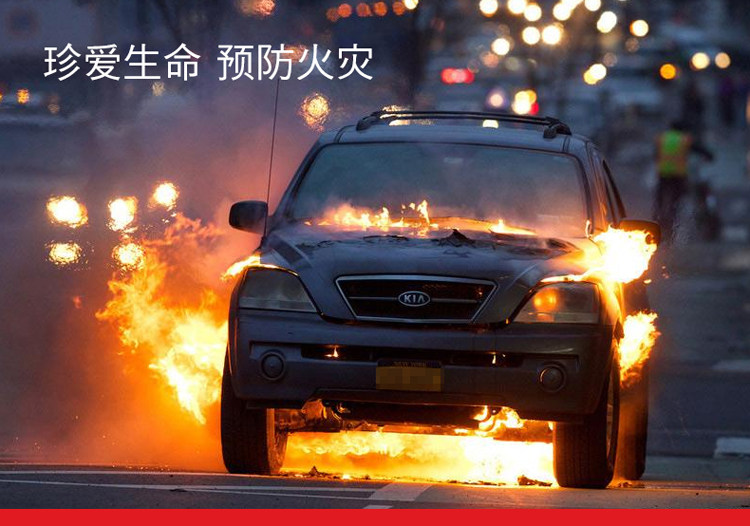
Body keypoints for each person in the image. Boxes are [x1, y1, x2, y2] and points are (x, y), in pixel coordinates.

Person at [654, 121, 714, 242]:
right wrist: (710, 156)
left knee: (660, 200)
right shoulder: (683, 139)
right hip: (678, 175)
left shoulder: (662, 138)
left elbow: (655, 154)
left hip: (663, 174)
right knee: (677, 200)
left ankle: (657, 221)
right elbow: (699, 149)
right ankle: (672, 221)